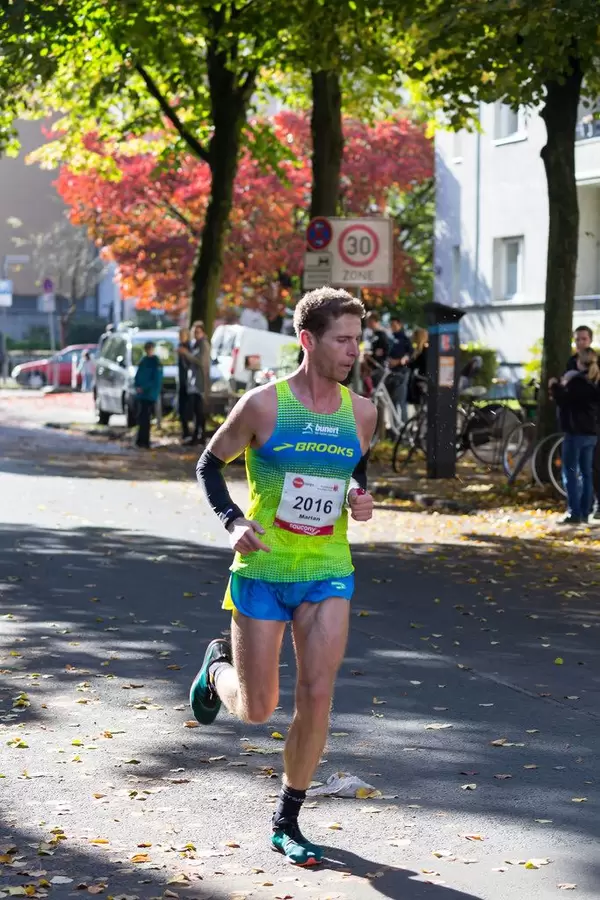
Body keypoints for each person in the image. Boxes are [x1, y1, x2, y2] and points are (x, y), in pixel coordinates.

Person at [192, 287, 376, 867]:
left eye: (356, 338)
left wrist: (359, 496)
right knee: (257, 708)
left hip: (327, 572)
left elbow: (350, 471)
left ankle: (287, 817)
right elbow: (208, 464)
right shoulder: (262, 406)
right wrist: (232, 520)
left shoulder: (364, 412)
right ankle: (216, 667)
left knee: (317, 696)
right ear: (308, 340)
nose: (353, 350)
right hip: (264, 569)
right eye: (342, 339)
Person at [550, 347, 600, 525]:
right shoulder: (594, 381)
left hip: (575, 432)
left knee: (570, 472)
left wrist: (554, 386)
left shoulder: (576, 382)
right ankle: (585, 511)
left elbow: (564, 400)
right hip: (591, 433)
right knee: (586, 473)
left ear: (580, 362)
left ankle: (574, 512)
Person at [564, 326, 600, 519]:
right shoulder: (571, 362)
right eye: (577, 339)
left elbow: (570, 397)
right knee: (586, 470)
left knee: (581, 469)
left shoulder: (589, 368)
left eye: (583, 339)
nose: (580, 343)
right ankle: (585, 509)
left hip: (583, 426)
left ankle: (578, 511)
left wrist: (559, 386)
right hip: (584, 426)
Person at [179, 321, 210, 445]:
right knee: (196, 410)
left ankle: (200, 436)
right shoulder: (195, 344)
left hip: (200, 383)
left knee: (200, 410)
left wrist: (186, 354)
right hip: (194, 383)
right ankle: (196, 435)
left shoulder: (203, 345)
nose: (196, 334)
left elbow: (200, 361)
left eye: (198, 332)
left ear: (203, 333)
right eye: (194, 332)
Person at [134, 341, 163, 449]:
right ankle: (140, 439)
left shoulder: (156, 362)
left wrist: (145, 388)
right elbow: (138, 376)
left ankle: (145, 440)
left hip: (149, 394)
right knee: (141, 417)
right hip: (141, 394)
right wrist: (137, 386)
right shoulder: (144, 361)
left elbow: (156, 380)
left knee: (146, 417)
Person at [387, 316, 413, 423]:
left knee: (401, 401)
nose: (392, 327)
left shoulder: (405, 339)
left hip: (402, 372)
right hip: (390, 372)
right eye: (391, 325)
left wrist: (398, 361)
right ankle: (394, 429)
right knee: (391, 402)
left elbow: (409, 355)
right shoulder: (389, 338)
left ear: (399, 325)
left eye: (394, 325)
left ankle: (404, 428)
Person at [177, 327, 192, 442]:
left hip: (188, 382)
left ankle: (188, 432)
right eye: (180, 335)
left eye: (183, 335)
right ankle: (185, 431)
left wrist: (185, 354)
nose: (181, 338)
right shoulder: (180, 346)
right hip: (182, 381)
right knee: (181, 408)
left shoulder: (188, 348)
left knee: (187, 408)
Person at [407, 327, 429, 407]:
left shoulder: (423, 351)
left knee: (421, 407)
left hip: (422, 381)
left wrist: (408, 362)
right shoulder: (421, 350)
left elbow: (413, 365)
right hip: (422, 381)